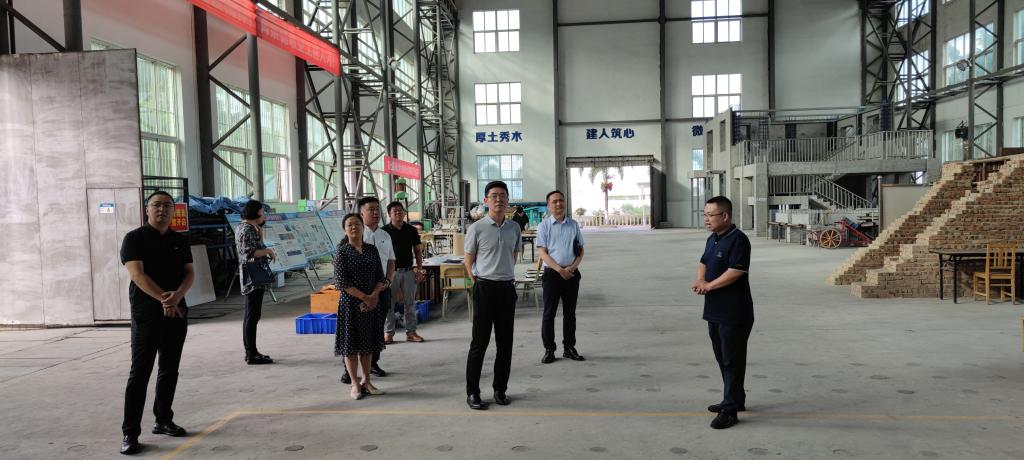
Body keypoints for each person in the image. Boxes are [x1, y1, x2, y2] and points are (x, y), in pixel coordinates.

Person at [118, 191, 195, 455]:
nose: (162, 209)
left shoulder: (180, 240)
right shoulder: (134, 239)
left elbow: (189, 273)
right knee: (140, 373)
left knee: (169, 369)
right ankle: (130, 433)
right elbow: (137, 275)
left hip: (176, 312)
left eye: (167, 205)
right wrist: (165, 299)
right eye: (156, 205)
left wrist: (178, 297)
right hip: (147, 315)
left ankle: (163, 419)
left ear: (174, 210)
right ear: (147, 210)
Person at [691, 196, 754, 430]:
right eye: (705, 215)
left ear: (725, 216)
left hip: (734, 312)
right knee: (722, 358)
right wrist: (701, 279)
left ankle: (730, 410)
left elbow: (736, 271)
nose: (706, 219)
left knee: (732, 360)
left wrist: (709, 286)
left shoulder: (739, 240)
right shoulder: (713, 239)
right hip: (715, 311)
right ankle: (735, 398)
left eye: (711, 215)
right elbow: (704, 262)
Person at [464, 181, 522, 410]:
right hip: (484, 289)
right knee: (479, 343)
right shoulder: (477, 228)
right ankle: (473, 392)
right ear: (486, 200)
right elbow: (469, 260)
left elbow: (514, 255)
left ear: (507, 200)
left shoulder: (514, 228)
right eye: (494, 195)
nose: (499, 199)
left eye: (503, 195)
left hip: (506, 289)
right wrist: (478, 283)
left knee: (505, 344)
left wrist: (503, 274)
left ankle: (500, 389)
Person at [333, 213, 388, 400]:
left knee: (368, 344)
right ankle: (355, 384)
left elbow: (380, 276)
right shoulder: (342, 252)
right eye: (349, 225)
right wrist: (365, 297)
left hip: (371, 303)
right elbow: (342, 282)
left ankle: (367, 381)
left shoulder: (371, 250)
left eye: (357, 224)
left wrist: (374, 296)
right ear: (344, 230)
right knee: (351, 346)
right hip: (351, 305)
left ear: (363, 227)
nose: (354, 227)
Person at [341, 197, 395, 384]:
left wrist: (387, 281)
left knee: (376, 329)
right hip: (357, 294)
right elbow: (342, 276)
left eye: (377, 209)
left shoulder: (385, 235)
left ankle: (373, 363)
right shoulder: (353, 236)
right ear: (361, 214)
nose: (375, 212)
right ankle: (349, 370)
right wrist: (364, 295)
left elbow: (390, 261)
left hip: (381, 289)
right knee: (353, 331)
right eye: (371, 209)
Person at [536, 190, 585, 364]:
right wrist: (559, 269)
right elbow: (542, 252)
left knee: (570, 314)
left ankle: (569, 348)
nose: (558, 204)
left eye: (561, 200)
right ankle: (549, 349)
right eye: (554, 201)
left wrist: (572, 267)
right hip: (552, 275)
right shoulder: (544, 226)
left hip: (571, 274)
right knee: (549, 314)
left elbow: (580, 250)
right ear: (548, 205)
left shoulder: (573, 225)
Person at [235, 200, 276, 365]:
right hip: (253, 277)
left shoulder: (247, 227)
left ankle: (252, 352)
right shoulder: (247, 229)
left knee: (252, 315)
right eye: (262, 212)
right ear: (256, 213)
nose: (264, 215)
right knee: (252, 315)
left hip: (252, 275)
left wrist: (261, 234)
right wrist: (268, 251)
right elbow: (249, 253)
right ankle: (251, 354)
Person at [383, 201, 427, 343]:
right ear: (389, 214)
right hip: (390, 273)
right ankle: (389, 333)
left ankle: (411, 332)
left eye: (400, 210)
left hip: (408, 271)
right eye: (394, 211)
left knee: (410, 303)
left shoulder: (411, 230)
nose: (398, 213)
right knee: (389, 303)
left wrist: (419, 269)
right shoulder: (384, 231)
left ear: (404, 212)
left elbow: (417, 251)